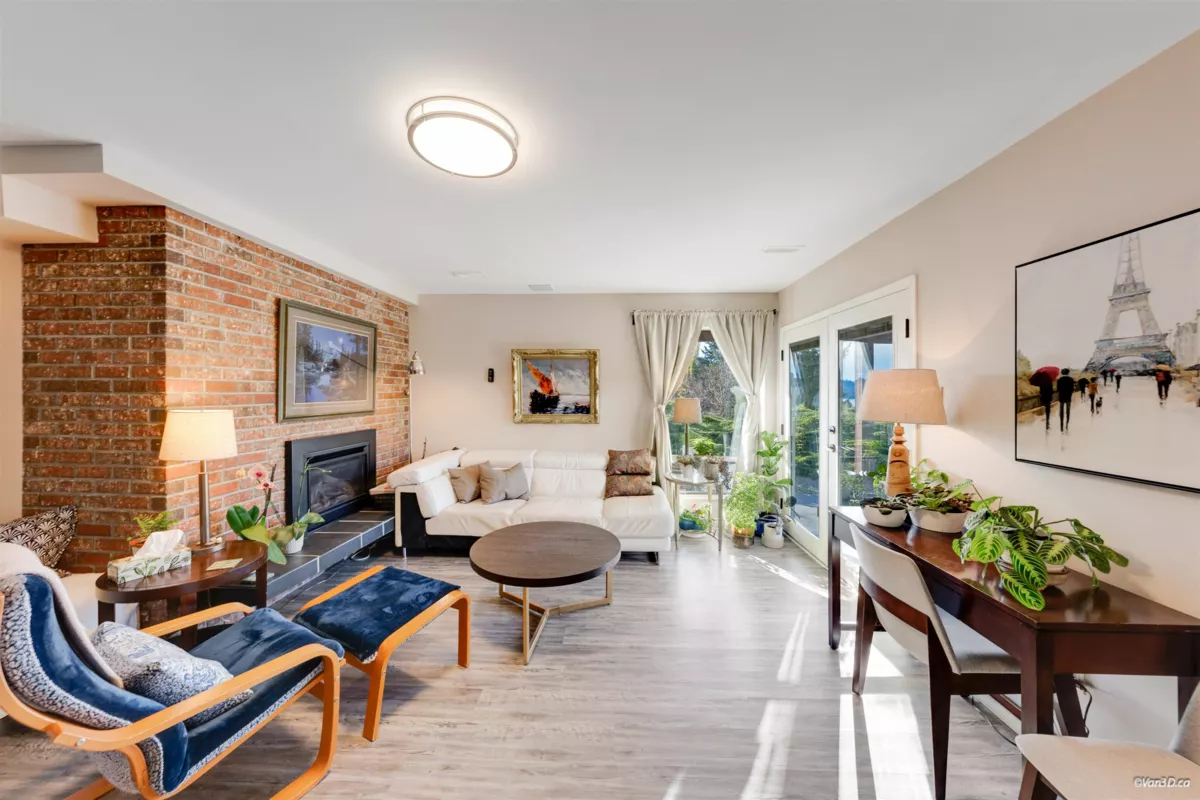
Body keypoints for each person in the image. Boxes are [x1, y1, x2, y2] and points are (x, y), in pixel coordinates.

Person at [1056, 368, 1075, 432]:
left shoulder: (1059, 380)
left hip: (1061, 397)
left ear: (1062, 373)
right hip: (1068, 397)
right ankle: (1067, 422)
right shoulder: (1071, 379)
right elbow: (1072, 389)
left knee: (1061, 409)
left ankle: (1061, 421)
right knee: (1068, 409)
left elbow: (1058, 389)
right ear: (1068, 373)